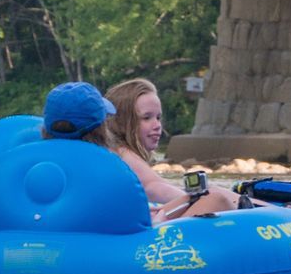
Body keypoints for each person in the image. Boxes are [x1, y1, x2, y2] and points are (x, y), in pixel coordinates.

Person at [91, 78, 238, 220]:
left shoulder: (111, 152)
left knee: (213, 191)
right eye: (146, 118)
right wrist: (200, 198)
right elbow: (153, 186)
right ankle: (255, 209)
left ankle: (253, 205)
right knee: (215, 199)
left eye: (158, 117)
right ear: (122, 123)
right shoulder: (122, 153)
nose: (157, 125)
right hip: (136, 240)